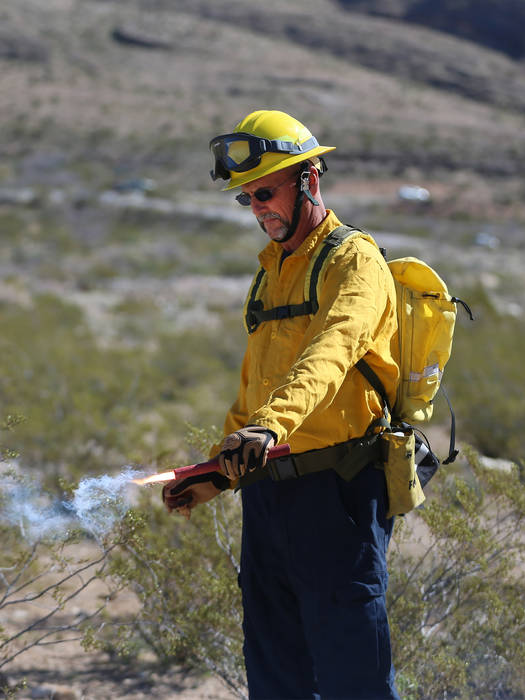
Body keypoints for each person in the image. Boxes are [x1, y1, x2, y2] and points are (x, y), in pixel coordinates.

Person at [162, 109, 402, 699]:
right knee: (275, 675)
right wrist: (218, 471)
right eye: (248, 199)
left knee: (355, 677)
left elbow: (331, 352)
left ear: (310, 180)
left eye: (266, 191)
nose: (259, 208)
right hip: (269, 495)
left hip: (337, 494)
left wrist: (269, 427)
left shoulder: (355, 262)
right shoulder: (270, 272)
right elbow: (254, 388)